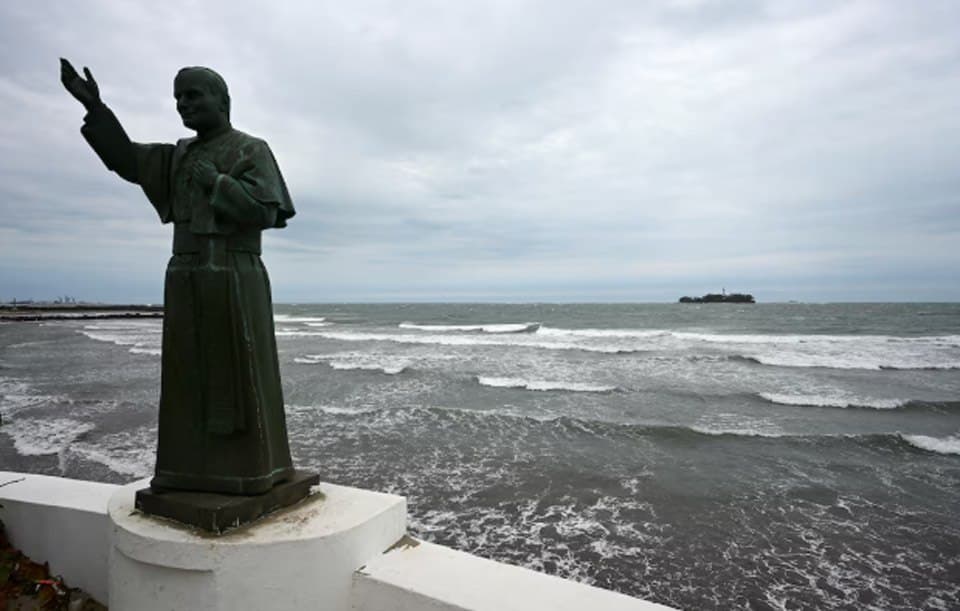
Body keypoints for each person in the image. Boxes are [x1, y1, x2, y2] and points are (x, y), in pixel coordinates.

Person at [60, 59, 297, 495]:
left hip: (233, 273)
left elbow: (266, 211)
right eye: (178, 97)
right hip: (184, 273)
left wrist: (218, 183)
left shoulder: (251, 149)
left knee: (239, 373)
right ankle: (187, 471)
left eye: (193, 95)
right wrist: (96, 109)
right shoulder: (179, 153)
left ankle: (252, 472)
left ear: (223, 102)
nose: (183, 104)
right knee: (187, 376)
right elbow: (129, 160)